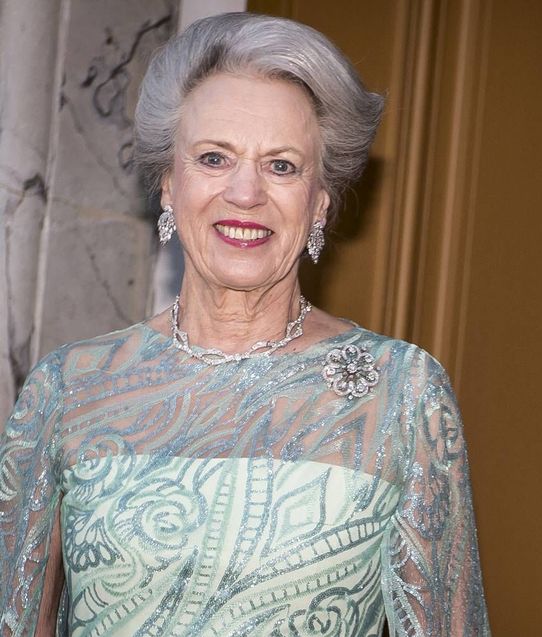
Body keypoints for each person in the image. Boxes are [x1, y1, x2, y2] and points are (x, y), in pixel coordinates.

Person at [0, 13, 490, 637]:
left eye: (281, 166)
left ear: (319, 201)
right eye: (213, 157)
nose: (245, 192)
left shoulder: (403, 394)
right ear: (167, 183)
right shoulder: (66, 389)